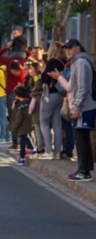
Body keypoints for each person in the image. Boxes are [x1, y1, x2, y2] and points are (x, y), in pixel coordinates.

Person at [61, 39, 96, 181]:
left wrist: (76, 106)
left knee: (81, 139)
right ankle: (83, 168)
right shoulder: (76, 62)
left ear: (77, 48)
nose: (67, 51)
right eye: (66, 48)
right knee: (81, 138)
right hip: (83, 105)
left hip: (84, 106)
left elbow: (82, 87)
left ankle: (84, 171)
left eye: (70, 48)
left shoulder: (81, 62)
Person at [0, 45, 29, 149]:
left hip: (12, 93)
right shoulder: (23, 62)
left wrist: (6, 47)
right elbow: (30, 55)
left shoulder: (9, 61)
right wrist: (25, 49)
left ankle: (16, 143)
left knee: (14, 118)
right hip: (22, 93)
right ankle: (21, 142)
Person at [38, 41, 66, 160]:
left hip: (50, 94)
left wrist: (42, 71)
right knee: (57, 123)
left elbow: (45, 78)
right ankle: (57, 152)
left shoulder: (52, 62)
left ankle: (48, 150)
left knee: (44, 122)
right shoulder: (64, 63)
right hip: (61, 94)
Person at [8, 85, 32, 166]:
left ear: (18, 96)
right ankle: (31, 149)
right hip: (27, 125)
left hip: (22, 126)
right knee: (26, 137)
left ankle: (21, 158)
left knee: (22, 142)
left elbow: (18, 118)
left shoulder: (20, 107)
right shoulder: (28, 103)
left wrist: (14, 127)